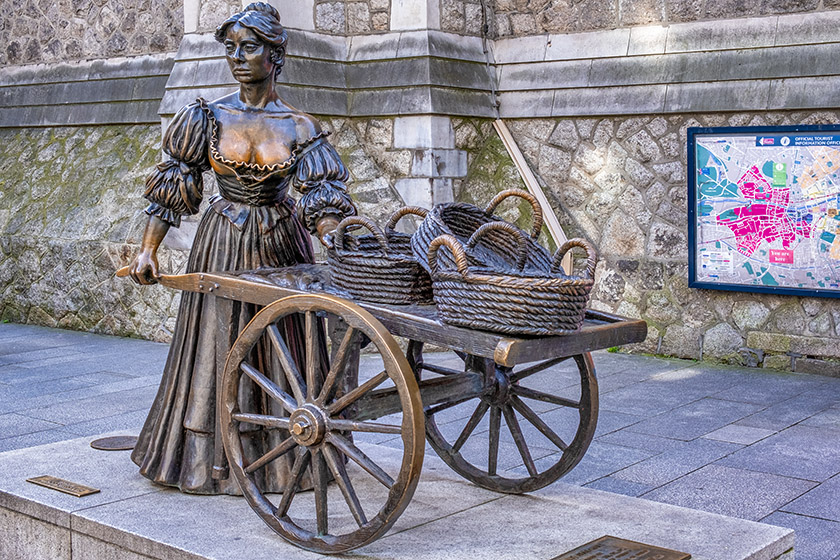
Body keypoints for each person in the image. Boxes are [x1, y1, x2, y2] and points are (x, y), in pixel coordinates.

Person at [127, 2, 356, 494]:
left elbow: (322, 200)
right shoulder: (206, 117)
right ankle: (210, 461)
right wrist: (148, 250)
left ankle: (284, 457)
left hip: (281, 244)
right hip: (223, 241)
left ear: (276, 55)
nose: (237, 57)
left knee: (283, 347)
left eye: (249, 48)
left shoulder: (300, 126)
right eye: (230, 49)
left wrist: (331, 235)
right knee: (216, 343)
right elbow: (173, 186)